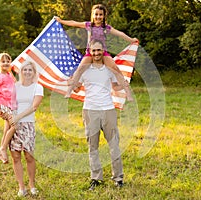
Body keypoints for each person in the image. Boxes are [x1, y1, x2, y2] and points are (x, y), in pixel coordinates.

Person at [54, 4, 139, 101]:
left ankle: (128, 92)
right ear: (93, 15)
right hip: (90, 52)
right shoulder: (89, 25)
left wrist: (131, 40)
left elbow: (120, 33)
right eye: (96, 14)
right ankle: (69, 90)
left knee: (115, 69)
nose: (98, 17)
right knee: (80, 69)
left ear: (104, 16)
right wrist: (61, 21)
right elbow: (74, 23)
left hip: (103, 52)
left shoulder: (106, 27)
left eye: (100, 15)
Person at [73, 39, 125, 190]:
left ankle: (118, 178)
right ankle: (96, 178)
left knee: (114, 145)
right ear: (90, 52)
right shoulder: (84, 69)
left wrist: (124, 83)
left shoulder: (109, 69)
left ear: (103, 51)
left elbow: (115, 86)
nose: (96, 53)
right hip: (90, 110)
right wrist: (71, 83)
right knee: (93, 146)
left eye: (98, 50)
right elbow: (77, 89)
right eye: (93, 50)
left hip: (108, 110)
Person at [8, 61, 44, 197]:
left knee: (29, 156)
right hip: (14, 124)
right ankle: (21, 187)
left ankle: (32, 185)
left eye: (30, 70)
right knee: (15, 156)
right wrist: (12, 119)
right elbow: (10, 104)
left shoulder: (38, 87)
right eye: (25, 70)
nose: (27, 72)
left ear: (34, 72)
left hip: (28, 124)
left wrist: (19, 117)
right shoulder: (15, 86)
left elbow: (34, 107)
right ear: (21, 72)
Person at [0, 52, 17, 164]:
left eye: (8, 61)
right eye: (3, 61)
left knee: (7, 128)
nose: (6, 63)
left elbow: (16, 84)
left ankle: (0, 154)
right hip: (3, 105)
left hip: (12, 105)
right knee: (15, 125)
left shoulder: (9, 76)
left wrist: (10, 71)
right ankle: (2, 148)